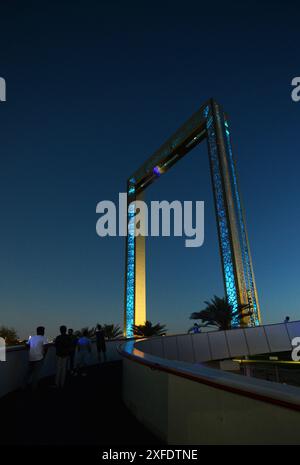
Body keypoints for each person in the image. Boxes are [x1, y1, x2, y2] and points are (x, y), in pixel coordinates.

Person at [24, 326, 48, 390]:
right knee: (36, 374)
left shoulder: (32, 338)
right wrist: (44, 355)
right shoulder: (43, 338)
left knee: (28, 372)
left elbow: (26, 345)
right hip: (39, 357)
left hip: (31, 357)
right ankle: (34, 387)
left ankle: (23, 386)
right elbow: (46, 347)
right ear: (42, 331)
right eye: (43, 331)